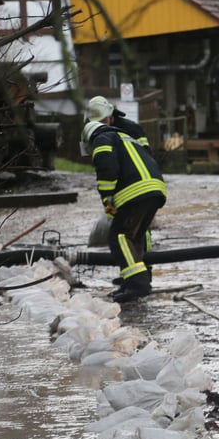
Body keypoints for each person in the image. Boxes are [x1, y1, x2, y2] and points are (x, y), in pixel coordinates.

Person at [82, 119, 167, 303]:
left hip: (136, 192)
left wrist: (107, 197)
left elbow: (106, 167)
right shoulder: (125, 137)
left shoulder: (101, 138)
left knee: (119, 236)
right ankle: (135, 280)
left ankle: (138, 285)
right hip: (155, 189)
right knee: (135, 236)